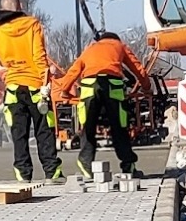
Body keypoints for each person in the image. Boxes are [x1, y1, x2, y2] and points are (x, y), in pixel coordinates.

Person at [0, 0, 64, 183]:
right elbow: (39, 55)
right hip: (36, 87)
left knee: (19, 135)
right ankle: (52, 173)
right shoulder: (33, 25)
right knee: (44, 131)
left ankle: (23, 175)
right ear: (20, 6)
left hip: (13, 89)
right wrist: (45, 81)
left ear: (2, 8)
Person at [58, 30, 151, 178]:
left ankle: (86, 164)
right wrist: (147, 87)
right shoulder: (119, 46)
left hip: (89, 86)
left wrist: (64, 90)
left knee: (88, 127)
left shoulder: (90, 49)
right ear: (116, 39)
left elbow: (74, 70)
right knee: (119, 127)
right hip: (112, 86)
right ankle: (128, 166)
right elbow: (137, 68)